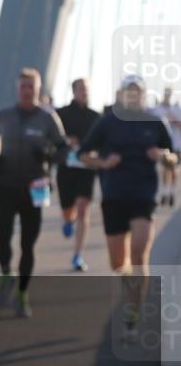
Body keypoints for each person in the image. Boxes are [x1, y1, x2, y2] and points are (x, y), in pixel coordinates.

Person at [78, 76, 178, 340]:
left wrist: (164, 156)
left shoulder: (155, 122)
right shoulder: (107, 122)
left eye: (138, 92)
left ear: (143, 95)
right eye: (129, 92)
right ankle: (129, 290)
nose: (133, 96)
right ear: (121, 94)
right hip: (114, 196)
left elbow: (174, 158)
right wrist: (103, 163)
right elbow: (83, 155)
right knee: (117, 261)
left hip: (143, 195)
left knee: (139, 253)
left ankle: (133, 314)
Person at [0, 67, 70, 318]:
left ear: (38, 89)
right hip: (6, 185)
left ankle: (22, 294)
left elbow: (63, 149)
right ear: (17, 88)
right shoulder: (4, 115)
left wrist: (48, 157)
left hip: (35, 188)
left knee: (28, 244)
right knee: (2, 239)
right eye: (23, 86)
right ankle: (5, 274)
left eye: (31, 87)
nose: (26, 91)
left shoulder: (47, 118)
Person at [55, 78, 101, 271]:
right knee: (68, 208)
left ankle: (77, 256)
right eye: (81, 89)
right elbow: (52, 137)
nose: (85, 92)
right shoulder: (61, 114)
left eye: (87, 89)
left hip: (86, 169)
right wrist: (67, 140)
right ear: (73, 91)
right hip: (66, 168)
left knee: (83, 210)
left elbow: (103, 140)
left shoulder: (96, 116)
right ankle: (67, 219)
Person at [151, 87, 181, 207]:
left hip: (176, 144)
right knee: (165, 169)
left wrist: (173, 121)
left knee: (174, 170)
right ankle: (164, 193)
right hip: (164, 146)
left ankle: (172, 193)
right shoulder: (157, 110)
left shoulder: (176, 109)